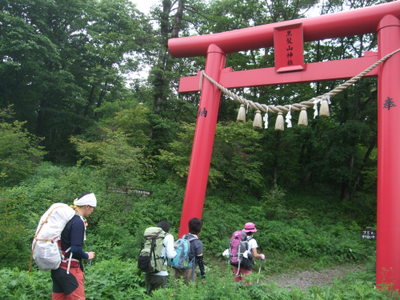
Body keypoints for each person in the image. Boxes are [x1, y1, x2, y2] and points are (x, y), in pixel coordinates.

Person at [51, 193, 97, 300]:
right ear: (87, 206)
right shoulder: (78, 222)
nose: (92, 211)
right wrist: (87, 255)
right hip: (70, 270)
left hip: (58, 269)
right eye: (92, 208)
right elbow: (75, 249)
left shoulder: (66, 220)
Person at [145, 221, 177, 294]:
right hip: (160, 273)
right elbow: (170, 255)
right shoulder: (168, 236)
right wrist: (175, 251)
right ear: (168, 229)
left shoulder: (151, 236)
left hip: (147, 270)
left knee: (148, 296)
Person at [175, 218, 205, 283]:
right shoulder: (197, 242)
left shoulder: (183, 238)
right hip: (189, 269)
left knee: (177, 287)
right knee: (188, 289)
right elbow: (200, 260)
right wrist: (203, 275)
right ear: (200, 229)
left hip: (178, 266)